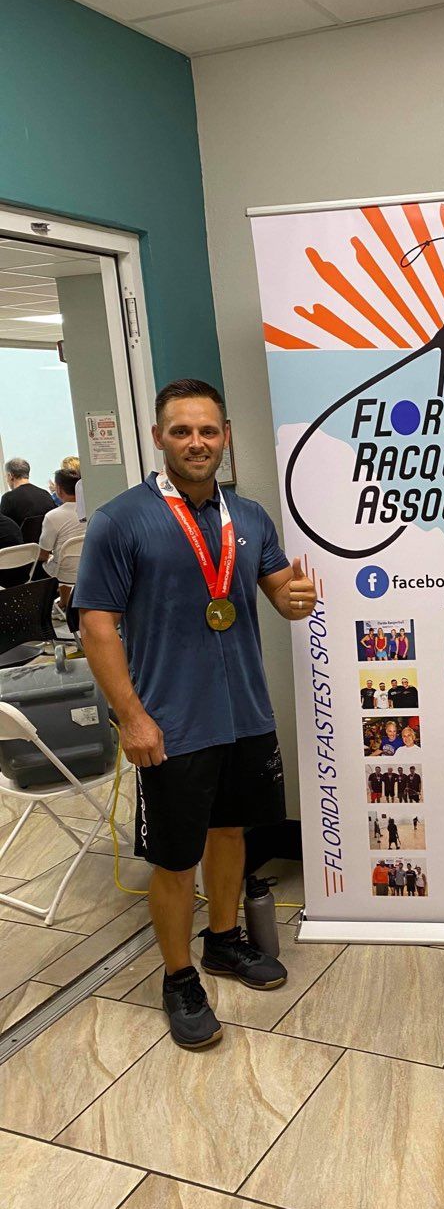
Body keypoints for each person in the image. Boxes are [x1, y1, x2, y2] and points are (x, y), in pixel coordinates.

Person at [74, 378, 318, 1052]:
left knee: (231, 834)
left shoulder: (250, 516)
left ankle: (224, 941)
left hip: (244, 714)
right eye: (181, 431)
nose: (196, 442)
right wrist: (131, 717)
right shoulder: (123, 520)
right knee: (175, 859)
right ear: (159, 438)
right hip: (171, 722)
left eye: (208, 430)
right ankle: (179, 979)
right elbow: (96, 626)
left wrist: (296, 598)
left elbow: (279, 592)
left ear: (226, 436)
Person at [38, 468, 84, 607]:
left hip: (65, 572)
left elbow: (43, 554)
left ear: (58, 489)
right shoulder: (91, 509)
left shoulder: (52, 516)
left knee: (53, 560)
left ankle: (63, 603)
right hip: (91, 566)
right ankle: (65, 602)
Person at [1, 458, 55, 542]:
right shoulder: (45, 494)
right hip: (47, 544)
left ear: (10, 476)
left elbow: (4, 528)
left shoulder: (8, 498)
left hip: (22, 547)